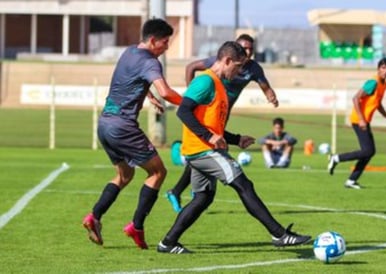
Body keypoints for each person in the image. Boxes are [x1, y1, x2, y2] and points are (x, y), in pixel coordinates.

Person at [157, 41, 311, 254]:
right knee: (243, 184)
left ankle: (168, 243)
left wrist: (236, 139)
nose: (239, 72)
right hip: (202, 150)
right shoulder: (205, 82)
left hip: (202, 149)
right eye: (237, 66)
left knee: (203, 198)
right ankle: (279, 234)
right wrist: (209, 137)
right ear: (227, 60)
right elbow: (183, 112)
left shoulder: (219, 86)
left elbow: (213, 126)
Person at [82, 18, 182, 249]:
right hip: (123, 127)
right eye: (165, 43)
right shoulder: (152, 63)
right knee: (158, 173)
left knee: (124, 175)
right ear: (154, 40)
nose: (167, 47)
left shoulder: (129, 52)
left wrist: (149, 97)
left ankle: (94, 217)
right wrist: (191, 104)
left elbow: (130, 79)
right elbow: (166, 92)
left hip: (105, 124)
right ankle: (136, 226)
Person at [166, 34, 279, 212]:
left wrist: (270, 95)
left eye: (250, 48)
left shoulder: (253, 68)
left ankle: (187, 196)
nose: (248, 52)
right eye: (244, 48)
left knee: (204, 158)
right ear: (229, 58)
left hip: (221, 115)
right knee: (208, 157)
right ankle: (185, 194)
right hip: (209, 111)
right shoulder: (216, 67)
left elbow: (265, 86)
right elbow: (191, 67)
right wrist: (192, 93)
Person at [328, 57, 386, 189]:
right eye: (383, 68)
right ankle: (336, 158)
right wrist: (361, 119)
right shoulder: (373, 82)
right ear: (378, 69)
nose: (385, 71)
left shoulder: (384, 84)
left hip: (364, 120)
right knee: (368, 150)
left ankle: (351, 180)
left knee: (369, 151)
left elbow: (378, 104)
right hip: (358, 120)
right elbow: (356, 98)